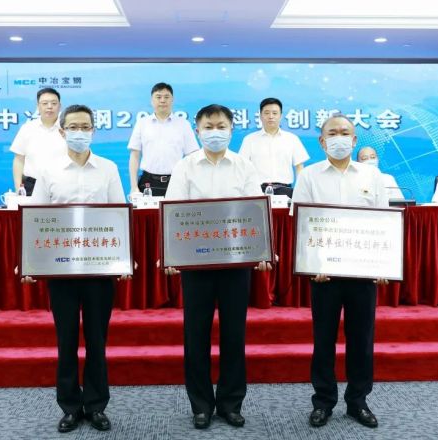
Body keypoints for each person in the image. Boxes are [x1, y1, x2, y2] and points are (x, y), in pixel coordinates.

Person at [164, 104, 272, 429]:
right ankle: (201, 405)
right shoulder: (185, 167)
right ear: (197, 131)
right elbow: (173, 212)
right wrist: (171, 255)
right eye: (208, 126)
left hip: (236, 265)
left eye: (221, 126)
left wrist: (261, 250)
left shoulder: (244, 166)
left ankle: (230, 403)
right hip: (196, 265)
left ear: (231, 129)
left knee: (234, 335)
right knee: (195, 335)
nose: (215, 132)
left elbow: (255, 211)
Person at [25, 104, 127, 433]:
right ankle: (69, 406)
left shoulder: (108, 168)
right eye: (73, 127)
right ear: (62, 131)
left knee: (97, 340)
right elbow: (37, 217)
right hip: (62, 270)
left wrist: (125, 257)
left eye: (85, 126)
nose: (79, 132)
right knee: (66, 339)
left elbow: (120, 213)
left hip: (99, 269)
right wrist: (30, 260)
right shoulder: (49, 169)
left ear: (93, 130)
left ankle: (96, 406)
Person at [292, 114, 389, 429]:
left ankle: (358, 402)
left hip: (363, 273)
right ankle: (323, 402)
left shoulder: (372, 176)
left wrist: (383, 264)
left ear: (355, 139)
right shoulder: (309, 176)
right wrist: (312, 264)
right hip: (324, 274)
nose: (339, 138)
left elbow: (384, 223)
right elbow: (302, 224)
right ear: (322, 141)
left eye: (345, 133)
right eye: (332, 133)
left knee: (362, 340)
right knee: (324, 339)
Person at [127, 82, 199, 196]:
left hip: (177, 181)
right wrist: (133, 187)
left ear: (172, 100)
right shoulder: (142, 123)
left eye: (166, 97)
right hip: (148, 182)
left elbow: (192, 156)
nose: (162, 100)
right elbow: (135, 156)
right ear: (152, 100)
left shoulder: (183, 124)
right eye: (158, 97)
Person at [238, 97, 309, 197]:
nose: (271, 116)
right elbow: (242, 167)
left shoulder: (292, 139)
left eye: (275, 113)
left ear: (281, 116)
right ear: (260, 116)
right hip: (257, 191)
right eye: (267, 113)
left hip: (285, 191)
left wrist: (300, 191)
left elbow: (299, 167)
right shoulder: (249, 139)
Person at [10, 88, 66, 195]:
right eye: (45, 103)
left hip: (63, 184)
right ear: (38, 106)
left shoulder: (68, 128)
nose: (49, 106)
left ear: (60, 106)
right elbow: (19, 160)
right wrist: (18, 188)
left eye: (54, 103)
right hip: (32, 185)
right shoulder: (27, 128)